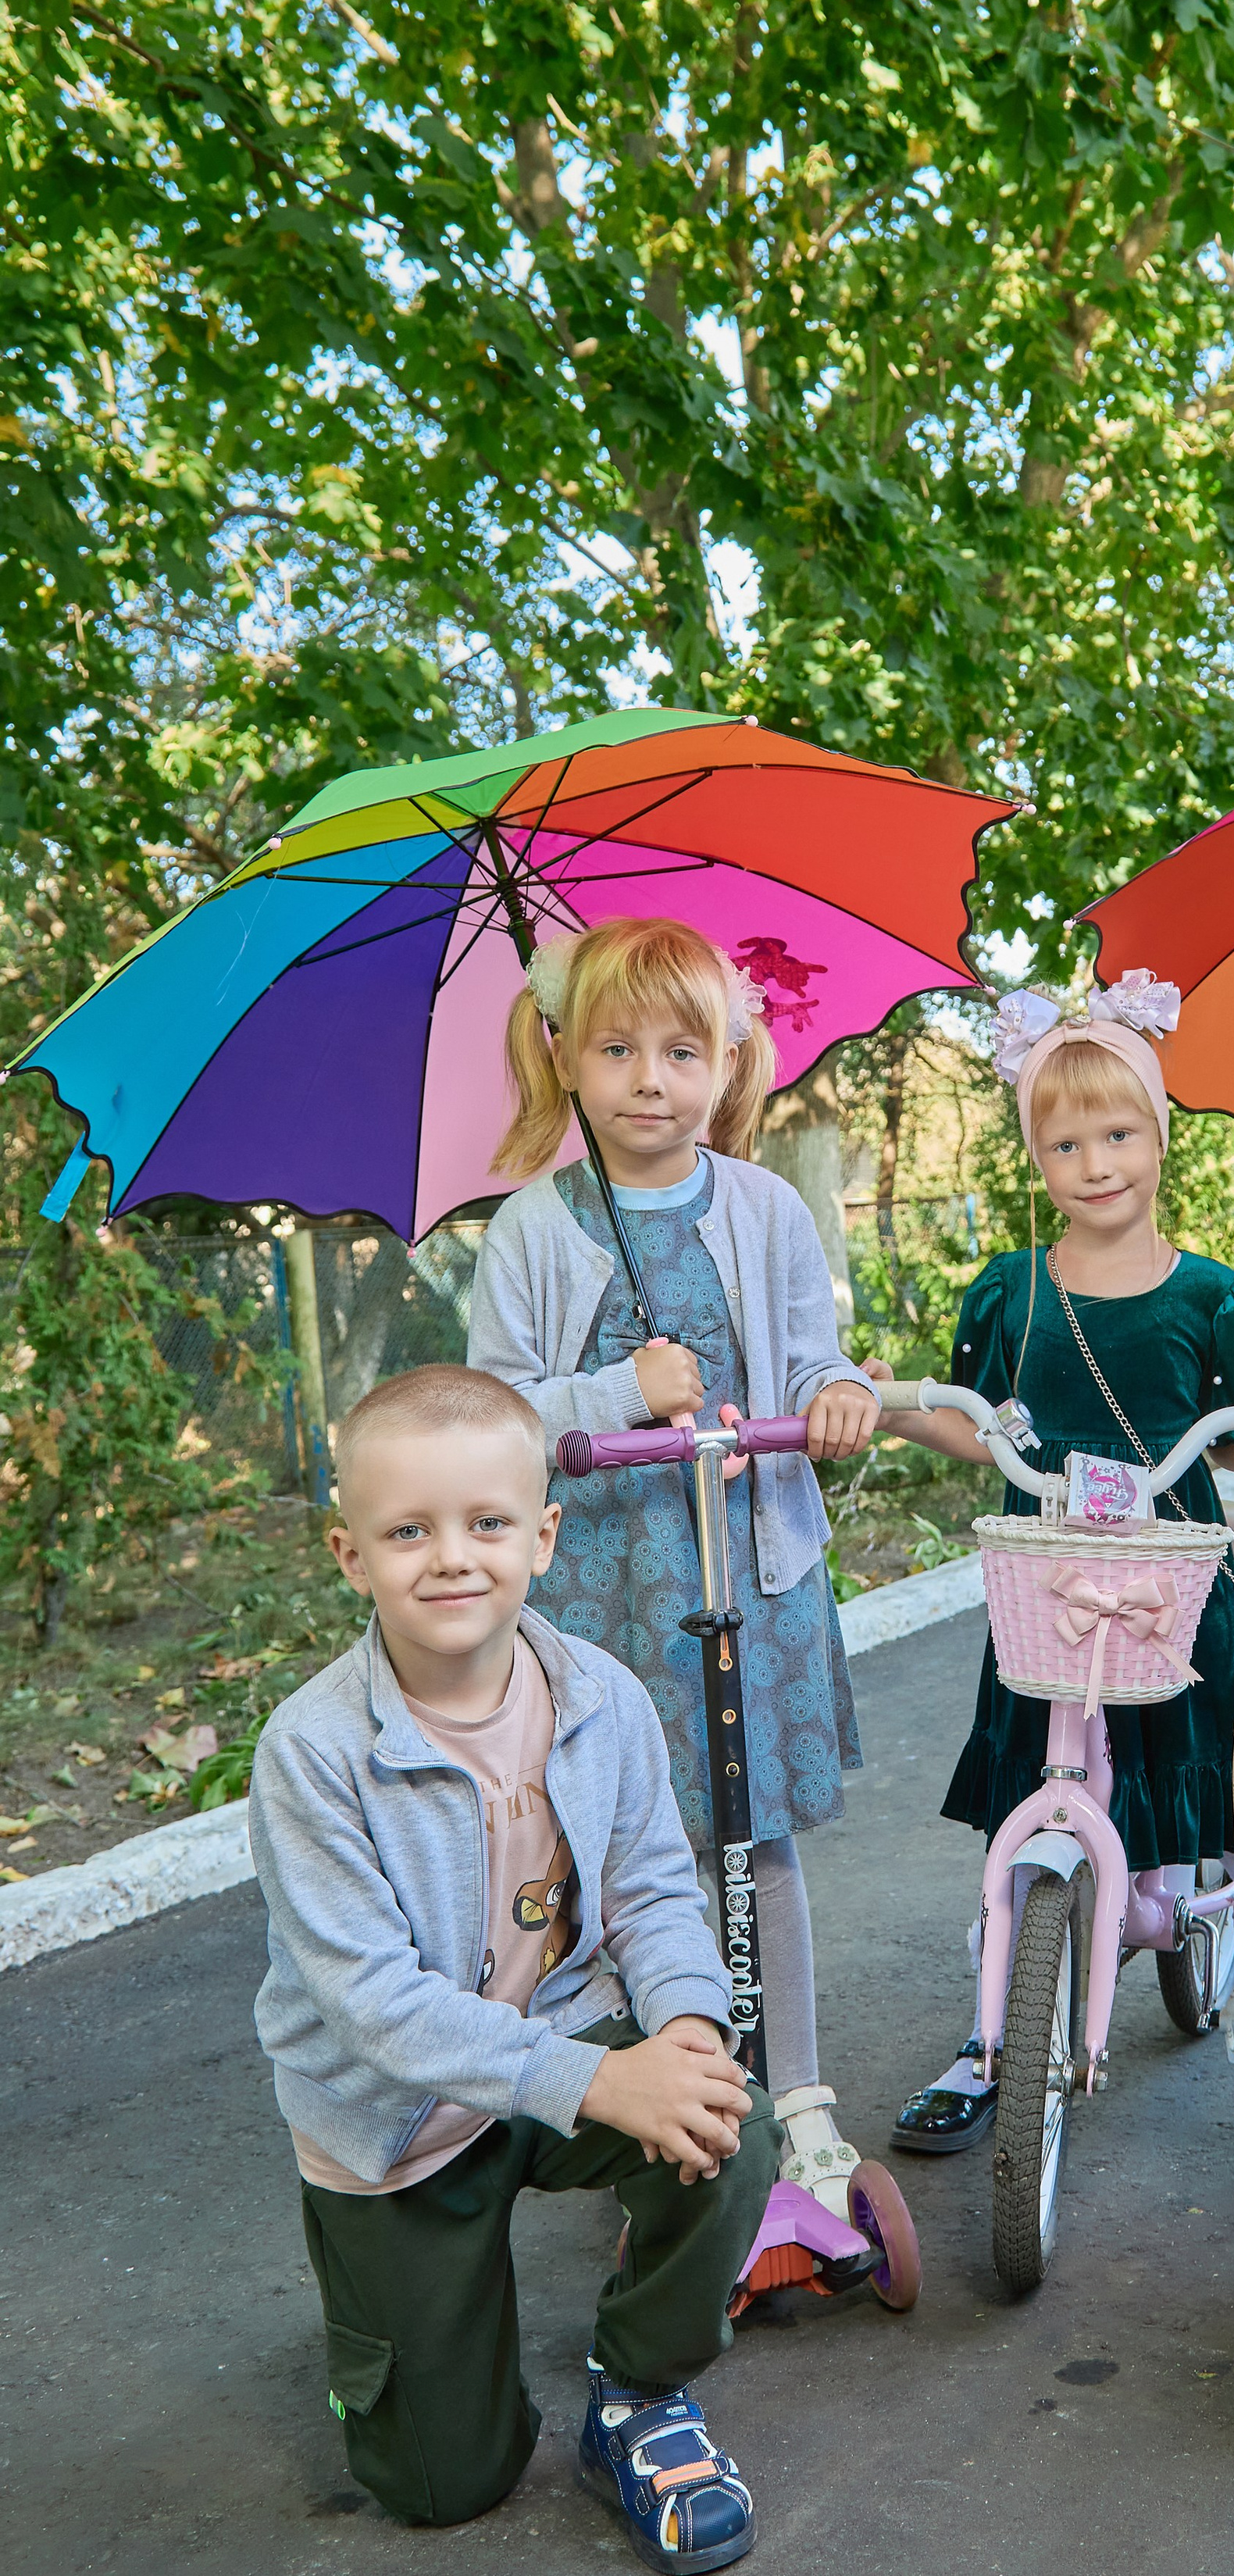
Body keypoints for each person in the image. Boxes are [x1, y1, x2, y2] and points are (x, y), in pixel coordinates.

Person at [247, 1364, 780, 2571]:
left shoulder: (601, 1696)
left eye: (488, 1523)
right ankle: (395, 2340)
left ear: (543, 1537)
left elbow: (651, 1890)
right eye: (408, 1531)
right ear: (349, 1554)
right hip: (398, 2125)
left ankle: (638, 2389)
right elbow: (377, 2009)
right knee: (444, 2485)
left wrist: (688, 2030)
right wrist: (602, 2085)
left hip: (557, 2040)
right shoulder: (313, 1755)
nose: (452, 1558)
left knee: (726, 2124)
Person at [466, 916, 880, 2218]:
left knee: (750, 1845)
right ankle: (656, 2082)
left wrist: (837, 1398)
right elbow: (493, 1420)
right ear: (566, 1060)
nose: (651, 1078)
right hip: (600, 1591)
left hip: (741, 1577)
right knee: (622, 1852)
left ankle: (796, 2091)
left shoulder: (763, 1208)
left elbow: (817, 1356)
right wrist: (617, 1392)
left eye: (682, 1051)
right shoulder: (534, 1228)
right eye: (618, 1048)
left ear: (728, 1062)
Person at [867, 972, 1234, 2150]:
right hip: (1053, 1583)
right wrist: (894, 1407)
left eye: (1118, 1133)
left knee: (1181, 1747)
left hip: (1171, 1569)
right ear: (1037, 1158)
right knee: (1040, 1762)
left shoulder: (1214, 1293)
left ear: (1158, 1136)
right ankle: (991, 2032)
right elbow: (982, 1420)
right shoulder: (1011, 1288)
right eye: (1065, 1143)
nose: (1096, 1161)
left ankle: (1200, 1911)